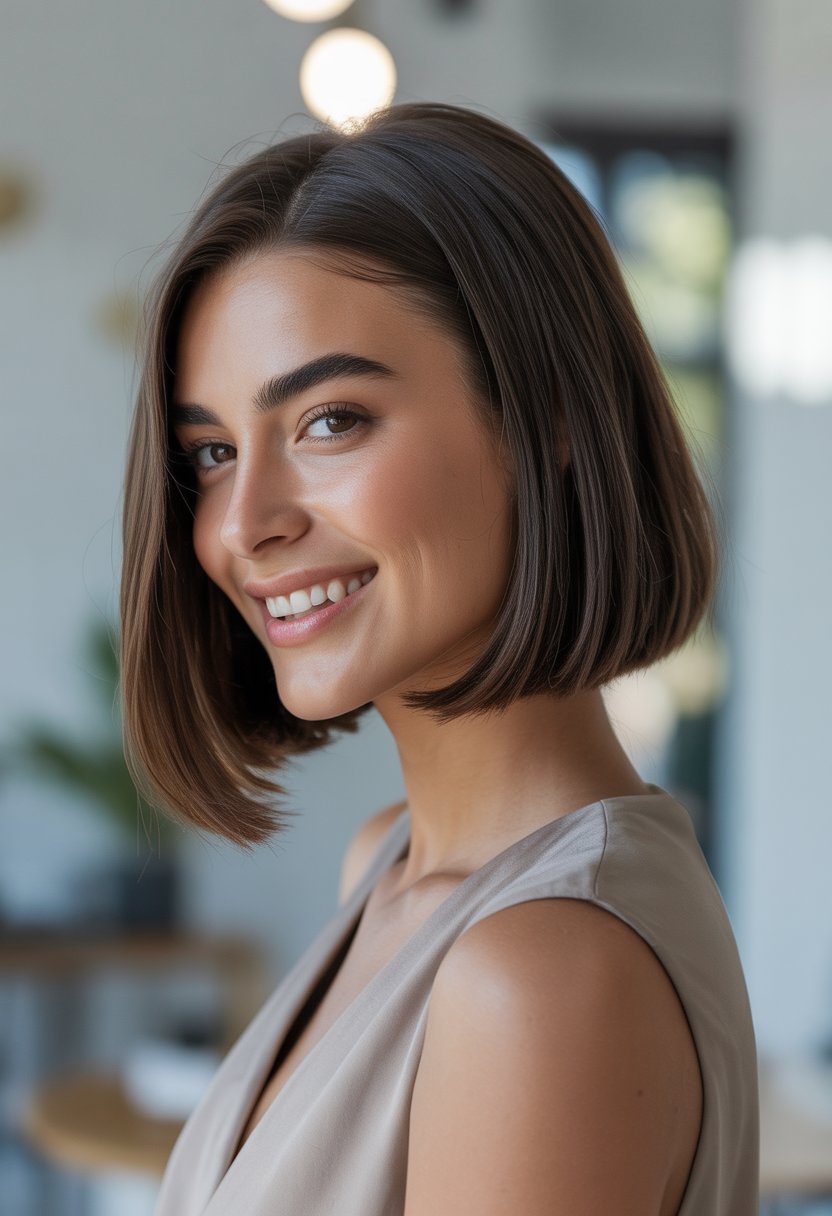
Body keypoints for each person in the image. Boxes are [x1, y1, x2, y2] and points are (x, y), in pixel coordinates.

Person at [121, 101, 759, 1215]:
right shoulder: (392, 863)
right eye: (214, 452)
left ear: (546, 413)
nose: (243, 522)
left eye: (329, 420)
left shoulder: (543, 973)